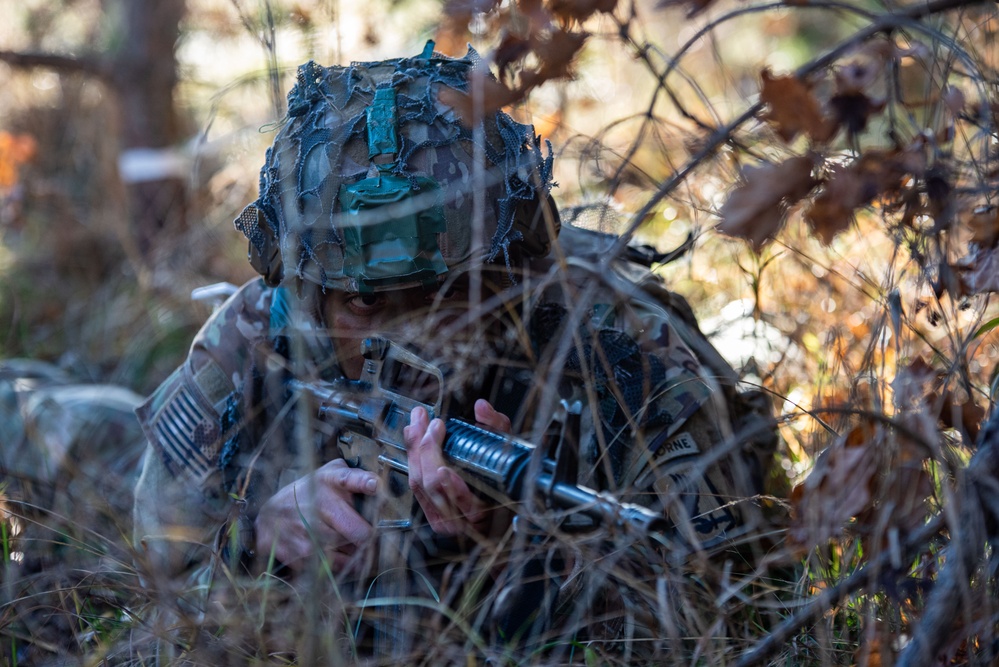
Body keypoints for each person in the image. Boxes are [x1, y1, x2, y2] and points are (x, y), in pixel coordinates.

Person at [132, 41, 774, 662]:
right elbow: (151, 595)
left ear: (510, 275)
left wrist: (520, 547)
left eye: (444, 296)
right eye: (366, 302)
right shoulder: (258, 336)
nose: (408, 342)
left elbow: (715, 606)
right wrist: (255, 541)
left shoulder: (616, 345)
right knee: (82, 423)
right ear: (309, 296)